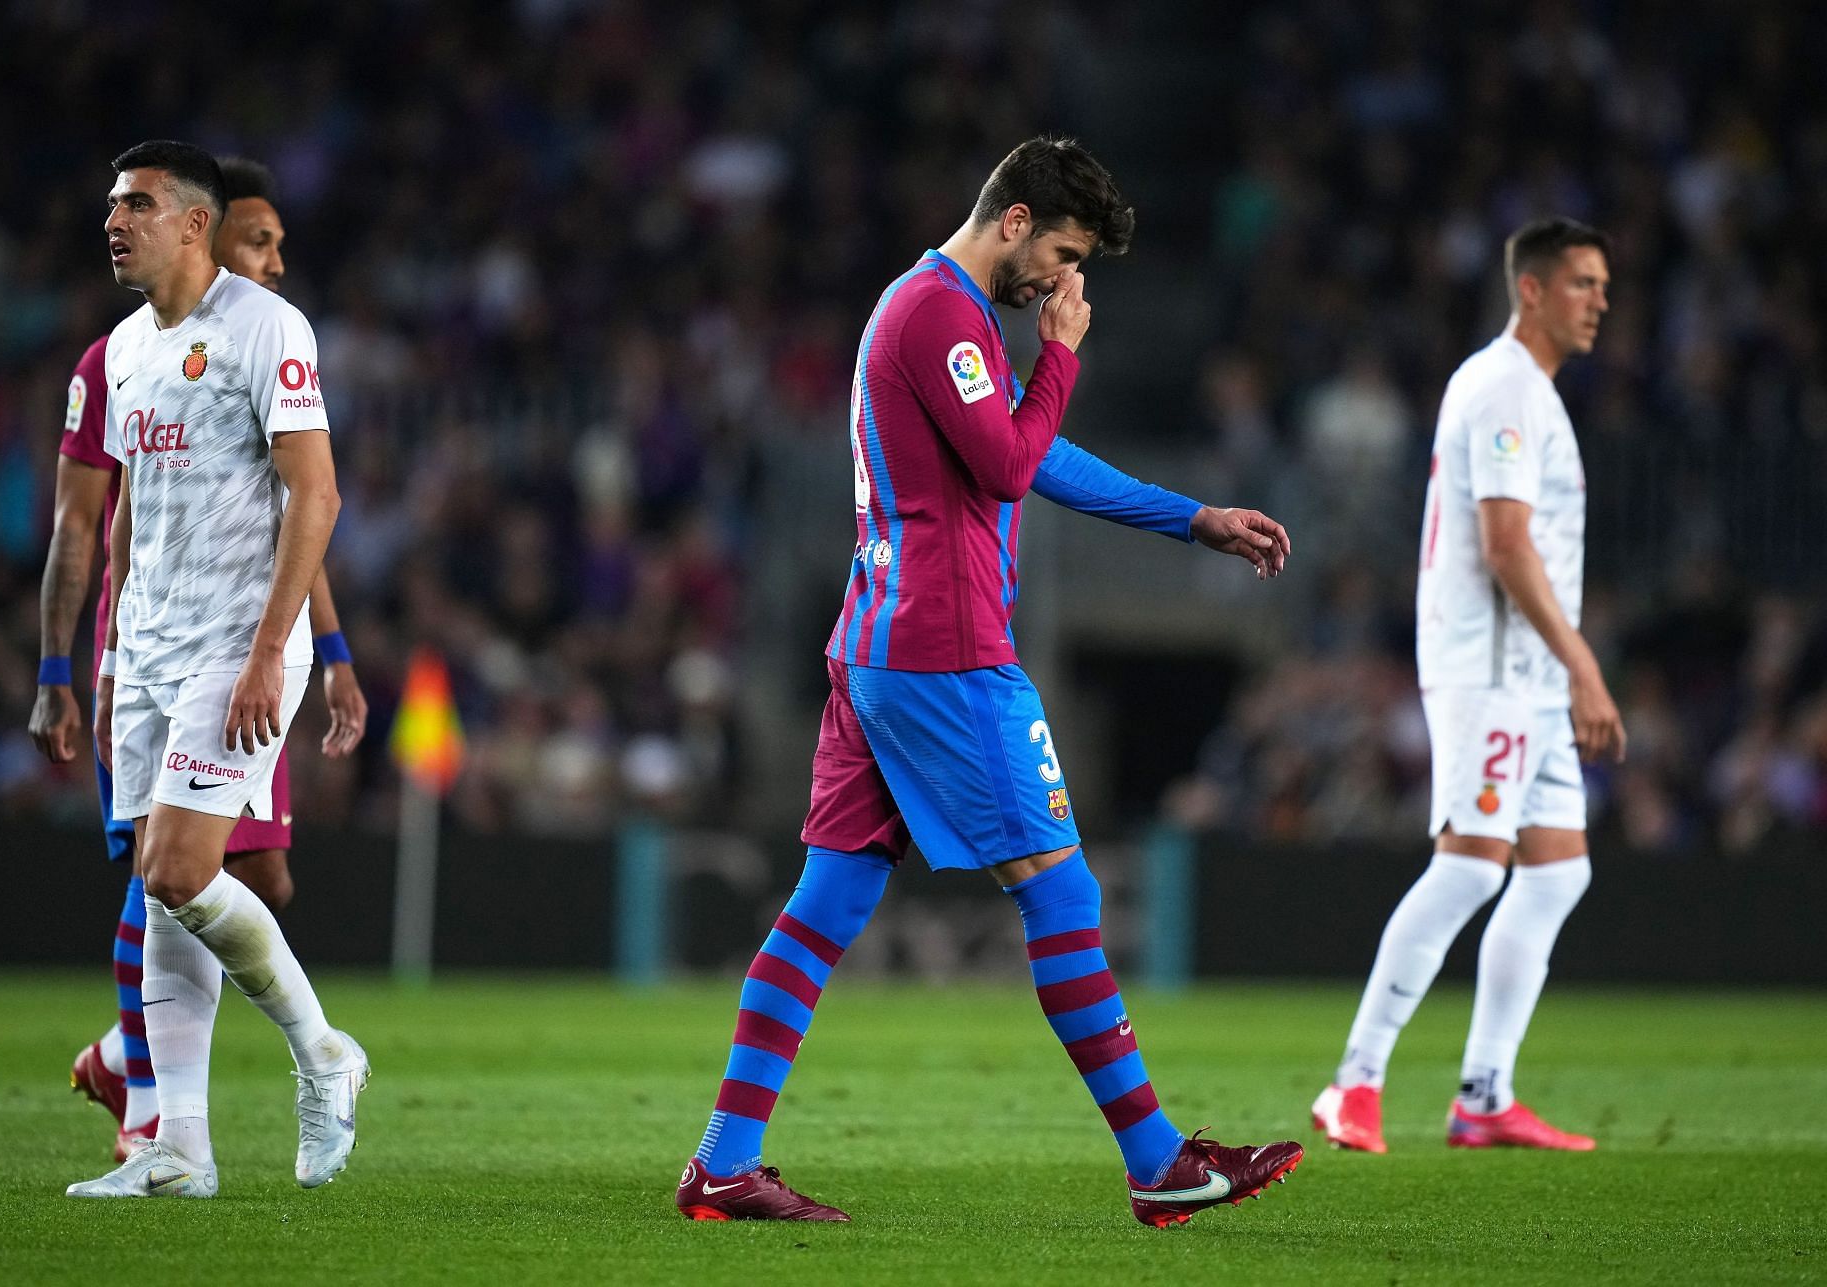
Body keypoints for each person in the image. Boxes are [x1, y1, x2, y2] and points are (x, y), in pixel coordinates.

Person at [675, 137, 1301, 1228]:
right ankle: (1157, 1162)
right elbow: (1015, 461)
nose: (1065, 281)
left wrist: (1191, 519)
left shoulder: (926, 309)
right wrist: (1062, 356)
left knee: (827, 904)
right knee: (1061, 893)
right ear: (1014, 219)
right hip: (945, 651)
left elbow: (1033, 456)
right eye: (1062, 253)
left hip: (876, 642)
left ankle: (724, 1163)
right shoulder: (941, 314)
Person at [29, 156, 367, 1165]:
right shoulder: (123, 354)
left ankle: (324, 1053)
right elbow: (119, 520)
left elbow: (315, 495)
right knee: (166, 883)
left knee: (190, 871)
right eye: (109, 202)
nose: (112, 219)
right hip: (150, 653)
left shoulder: (268, 329)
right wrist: (104, 661)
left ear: (192, 223)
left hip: (237, 647)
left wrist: (282, 652)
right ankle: (176, 1150)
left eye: (133, 203)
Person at [1312, 218, 1620, 1154]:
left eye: (1604, 285)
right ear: (1530, 289)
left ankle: (1485, 1093)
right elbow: (1504, 543)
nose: (1600, 301)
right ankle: (1353, 1081)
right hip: (1489, 665)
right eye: (1581, 283)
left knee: (1558, 870)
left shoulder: (1533, 394)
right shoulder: (1503, 390)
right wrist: (1585, 664)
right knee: (1474, 863)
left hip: (1525, 668)